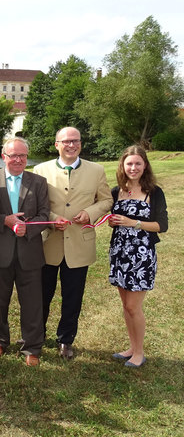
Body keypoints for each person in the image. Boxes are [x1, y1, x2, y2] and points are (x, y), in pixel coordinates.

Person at [32, 127, 112, 359]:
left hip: (80, 243)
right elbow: (36, 204)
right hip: (49, 242)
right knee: (41, 294)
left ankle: (66, 340)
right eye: (66, 141)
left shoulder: (96, 170)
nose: (71, 145)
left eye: (75, 141)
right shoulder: (41, 169)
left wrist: (90, 212)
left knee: (73, 296)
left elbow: (106, 200)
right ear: (56, 144)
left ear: (81, 144)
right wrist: (52, 219)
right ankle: (36, 335)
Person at [0, 137, 49, 366]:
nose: (18, 160)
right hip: (0, 250)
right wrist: (5, 220)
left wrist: (28, 229)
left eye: (22, 155)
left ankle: (32, 347)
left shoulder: (39, 182)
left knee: (32, 302)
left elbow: (45, 215)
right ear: (4, 156)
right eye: (13, 155)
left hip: (29, 251)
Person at [108, 145, 168, 368]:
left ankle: (140, 353)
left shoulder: (154, 192)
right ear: (123, 166)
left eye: (138, 164)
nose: (133, 168)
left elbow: (162, 225)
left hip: (141, 257)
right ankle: (132, 348)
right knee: (126, 305)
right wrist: (114, 221)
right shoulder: (117, 191)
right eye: (129, 163)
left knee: (134, 306)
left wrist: (134, 223)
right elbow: (114, 221)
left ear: (145, 166)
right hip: (119, 252)